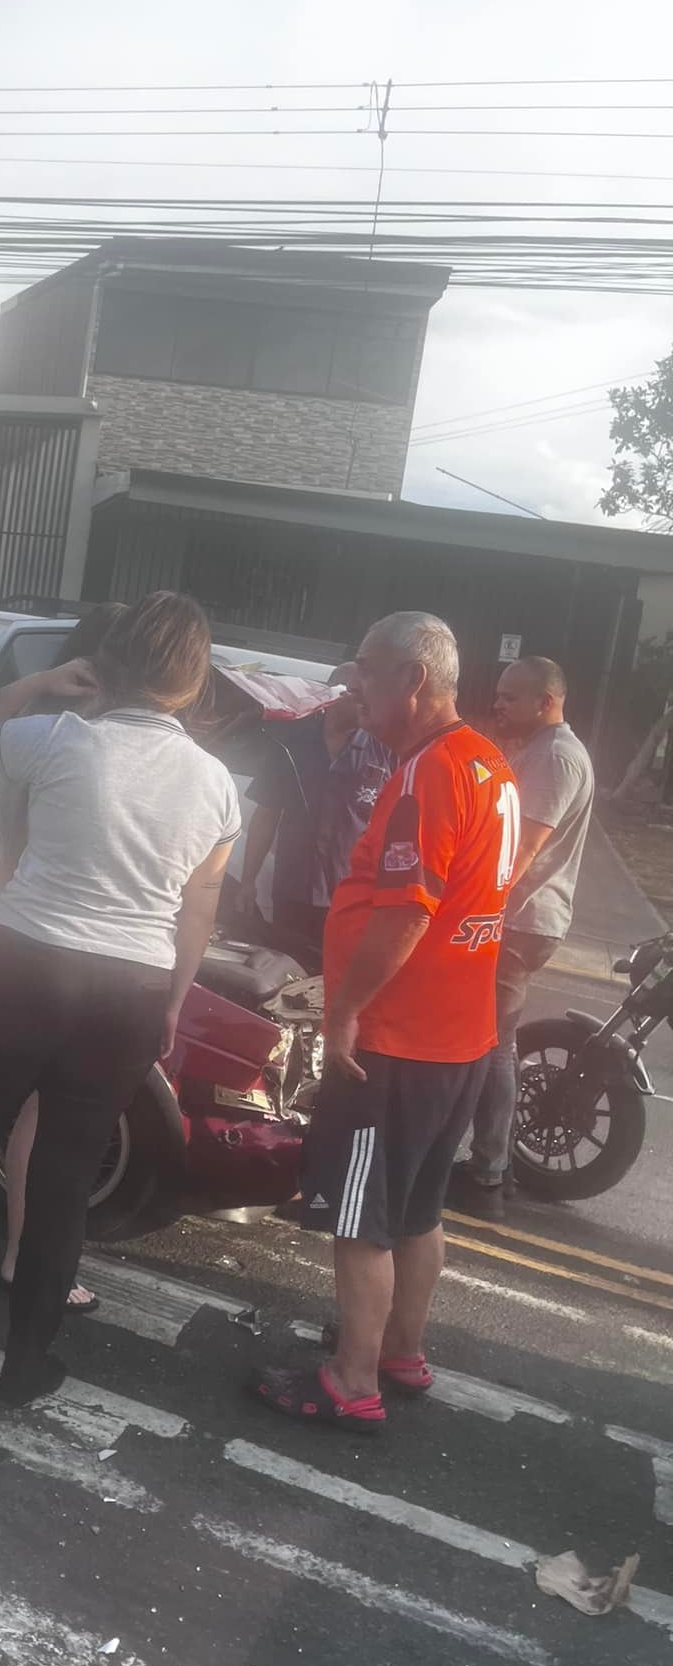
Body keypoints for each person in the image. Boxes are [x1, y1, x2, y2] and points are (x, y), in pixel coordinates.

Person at [0, 592, 241, 1405]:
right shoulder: (216, 787)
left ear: (110, 664)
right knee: (67, 1179)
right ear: (194, 681)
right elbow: (199, 907)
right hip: (130, 985)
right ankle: (25, 1363)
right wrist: (173, 999)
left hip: (25, 962)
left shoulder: (62, 739)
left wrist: (36, 687)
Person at [252, 612, 517, 1433]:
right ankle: (401, 1350)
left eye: (365, 670)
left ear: (411, 680)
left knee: (362, 1220)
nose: (352, 684)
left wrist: (345, 1013)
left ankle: (351, 1380)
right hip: (459, 1038)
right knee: (418, 1213)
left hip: (396, 1045)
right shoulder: (488, 763)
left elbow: (405, 916)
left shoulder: (429, 773)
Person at [0, 600, 127, 1314]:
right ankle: (24, 1256)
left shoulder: (40, 733)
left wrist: (39, 683)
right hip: (44, 933)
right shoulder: (82, 743)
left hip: (5, 918)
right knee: (36, 1111)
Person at [449, 656, 595, 1218]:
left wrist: (474, 908)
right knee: (492, 1043)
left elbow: (522, 851)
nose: (498, 704)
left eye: (511, 696)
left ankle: (486, 1170)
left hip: (520, 920)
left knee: (491, 1045)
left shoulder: (557, 757)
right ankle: (491, 1164)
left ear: (547, 700)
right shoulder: (538, 749)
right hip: (517, 918)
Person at [237, 665, 394, 971]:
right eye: (357, 693)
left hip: (352, 900)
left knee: (333, 984)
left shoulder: (385, 752)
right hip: (292, 893)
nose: (366, 703)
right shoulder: (292, 745)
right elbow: (266, 815)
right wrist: (247, 881)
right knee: (284, 977)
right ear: (332, 696)